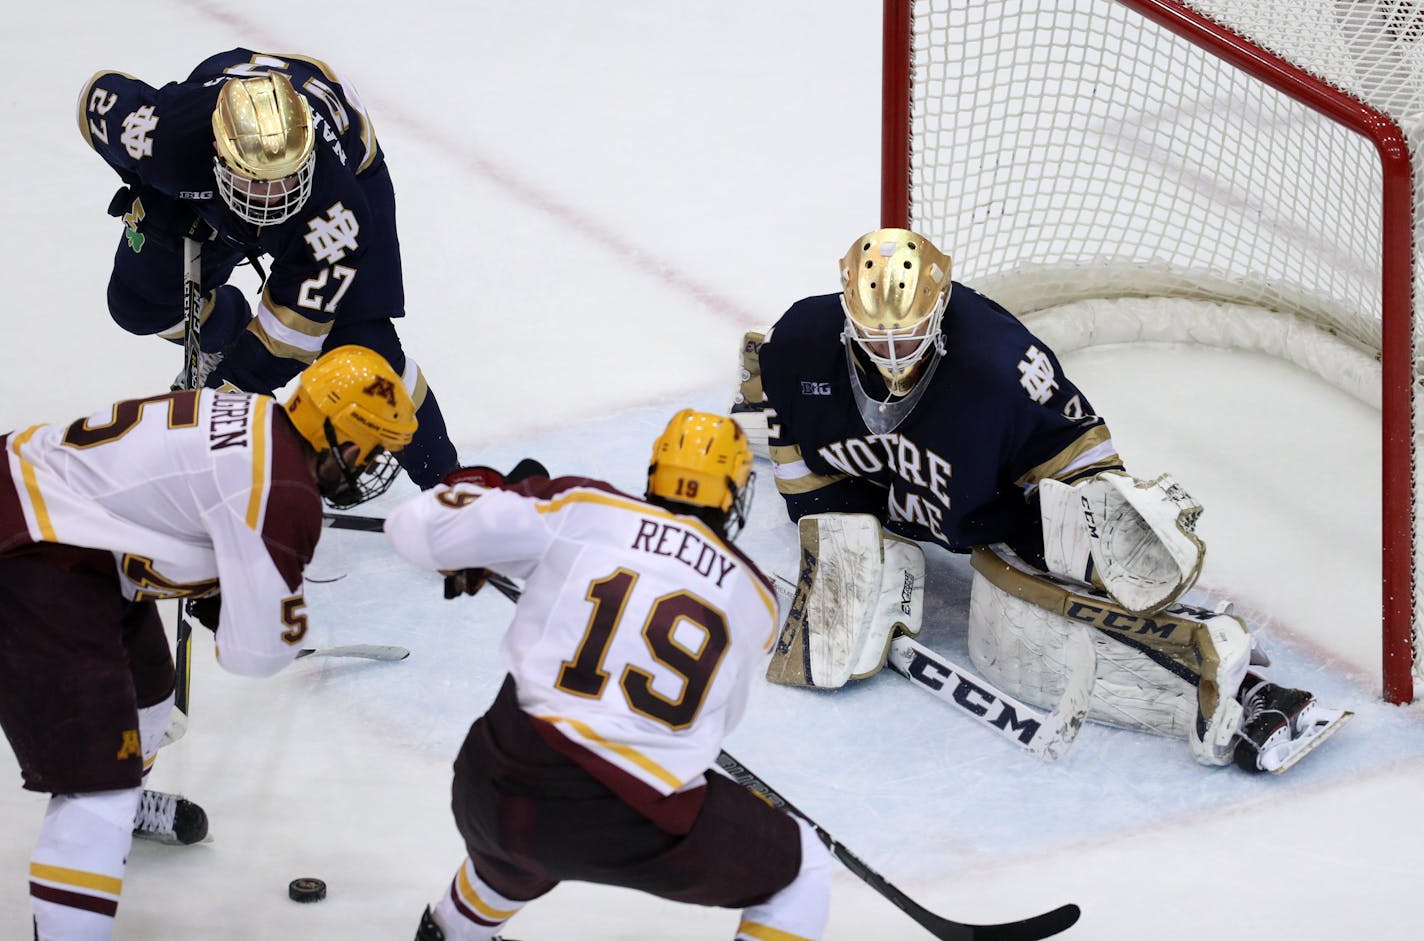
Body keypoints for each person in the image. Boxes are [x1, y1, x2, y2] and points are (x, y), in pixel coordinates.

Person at [730, 228, 1348, 774]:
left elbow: (1077, 446)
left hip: (992, 505)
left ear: (940, 310)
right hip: (893, 493)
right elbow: (797, 451)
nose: (892, 354)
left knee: (1015, 647)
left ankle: (1230, 684)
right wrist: (839, 532)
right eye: (875, 338)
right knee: (795, 459)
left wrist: (1096, 521)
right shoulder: (801, 345)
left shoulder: (1000, 363)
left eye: (909, 336)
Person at [0, 345, 415, 939]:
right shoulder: (284, 494)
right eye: (374, 448)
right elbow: (253, 656)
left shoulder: (260, 417)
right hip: (33, 549)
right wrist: (247, 599)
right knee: (95, 785)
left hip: (78, 535)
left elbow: (188, 505)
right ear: (343, 442)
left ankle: (124, 807)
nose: (374, 465)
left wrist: (226, 581)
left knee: (149, 700)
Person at [385, 410, 833, 941]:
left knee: (515, 849)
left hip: (491, 782)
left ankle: (452, 932)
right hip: (617, 817)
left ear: (654, 473)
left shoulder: (585, 507)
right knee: (801, 867)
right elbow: (713, 727)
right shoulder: (758, 599)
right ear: (735, 493)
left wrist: (482, 495)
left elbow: (411, 528)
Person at [76, 49, 460, 491]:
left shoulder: (337, 209)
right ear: (218, 153)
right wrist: (152, 182)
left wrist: (225, 394)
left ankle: (451, 485)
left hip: (346, 171)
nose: (273, 198)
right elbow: (97, 97)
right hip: (206, 178)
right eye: (257, 181)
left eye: (285, 177)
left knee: (363, 350)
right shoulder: (168, 135)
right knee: (139, 304)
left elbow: (290, 341)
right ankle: (226, 330)